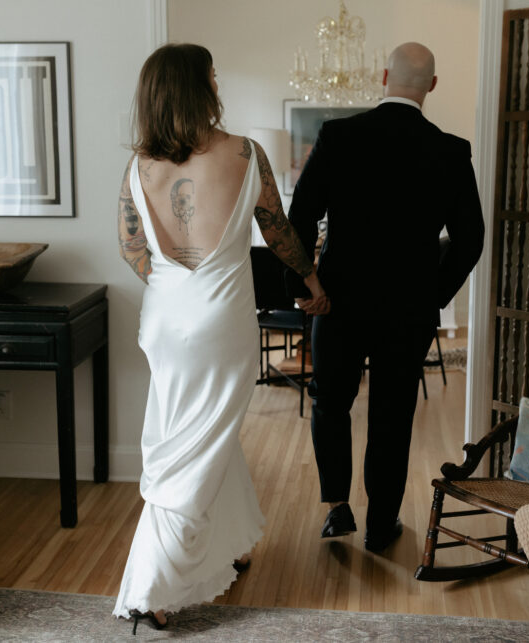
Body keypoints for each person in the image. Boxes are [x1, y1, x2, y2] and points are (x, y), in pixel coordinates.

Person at [113, 43, 329, 632]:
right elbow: (277, 230)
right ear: (196, 86)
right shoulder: (244, 153)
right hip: (221, 319)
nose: (217, 82)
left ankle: (231, 543)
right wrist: (311, 281)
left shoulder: (140, 166)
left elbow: (132, 247)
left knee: (193, 430)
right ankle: (152, 587)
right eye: (210, 75)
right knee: (198, 441)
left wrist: (171, 285)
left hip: (163, 318)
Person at [285, 42, 484, 553]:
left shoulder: (338, 136)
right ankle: (380, 526)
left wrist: (307, 288)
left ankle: (336, 508)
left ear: (382, 76)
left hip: (338, 302)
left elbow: (299, 220)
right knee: (391, 417)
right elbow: (471, 239)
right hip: (408, 309)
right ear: (432, 87)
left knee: (329, 402)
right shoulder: (450, 150)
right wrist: (434, 295)